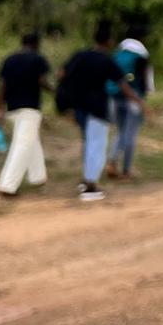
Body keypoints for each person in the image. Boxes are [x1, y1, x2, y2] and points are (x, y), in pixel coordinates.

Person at [58, 21, 140, 202]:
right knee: (97, 145)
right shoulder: (106, 60)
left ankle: (85, 179)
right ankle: (90, 186)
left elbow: (61, 73)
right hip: (97, 108)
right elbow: (123, 85)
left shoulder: (80, 55)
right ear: (109, 41)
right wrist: (138, 101)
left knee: (88, 143)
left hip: (79, 107)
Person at [0, 32, 52, 198]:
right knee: (23, 145)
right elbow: (42, 81)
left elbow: (2, 86)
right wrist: (55, 91)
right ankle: (7, 185)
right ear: (36, 44)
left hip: (12, 108)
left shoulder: (10, 59)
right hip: (30, 108)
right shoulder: (37, 59)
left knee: (30, 141)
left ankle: (37, 176)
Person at [105, 24, 151, 181]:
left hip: (114, 97)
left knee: (120, 130)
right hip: (133, 97)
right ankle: (125, 170)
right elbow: (144, 80)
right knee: (130, 134)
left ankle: (111, 161)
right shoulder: (141, 54)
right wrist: (142, 100)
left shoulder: (118, 52)